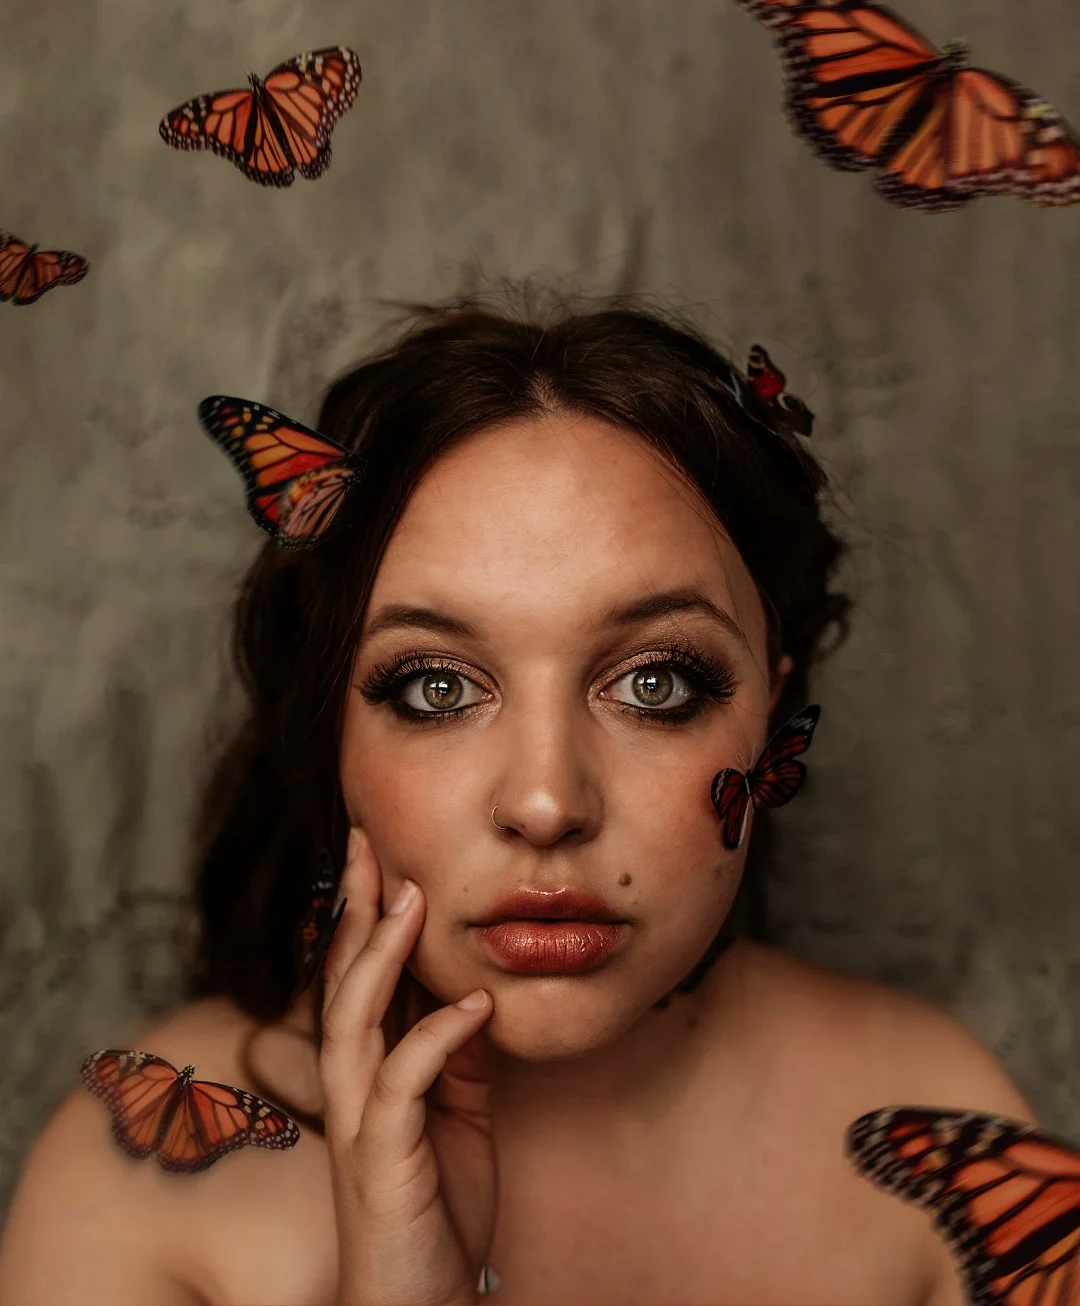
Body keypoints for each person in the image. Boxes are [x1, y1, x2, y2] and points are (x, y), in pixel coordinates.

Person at [0, 297, 1035, 1306]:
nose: (545, 803)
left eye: (657, 683)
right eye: (436, 687)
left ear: (773, 713)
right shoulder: (139, 1178)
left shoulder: (945, 1142)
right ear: (330, 735)